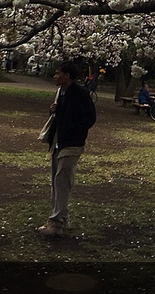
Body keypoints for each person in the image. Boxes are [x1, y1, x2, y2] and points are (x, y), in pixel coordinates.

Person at [37, 62, 96, 237]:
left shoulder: (80, 94)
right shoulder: (61, 93)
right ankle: (62, 218)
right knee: (57, 181)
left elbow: (90, 118)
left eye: (57, 73)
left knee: (62, 180)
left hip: (71, 143)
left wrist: (74, 131)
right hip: (59, 142)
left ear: (67, 75)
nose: (54, 76)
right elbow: (61, 116)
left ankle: (56, 222)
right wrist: (53, 111)